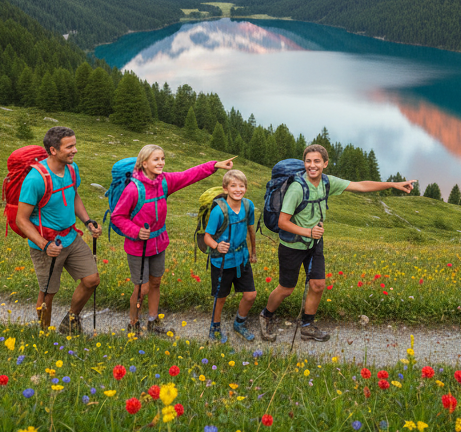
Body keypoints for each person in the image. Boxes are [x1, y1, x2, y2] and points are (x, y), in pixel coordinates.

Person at [259, 144, 414, 342]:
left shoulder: (327, 182)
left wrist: (392, 184)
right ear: (304, 163)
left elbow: (360, 185)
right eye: (308, 161)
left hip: (314, 244)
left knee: (318, 285)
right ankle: (266, 315)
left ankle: (307, 325)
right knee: (286, 289)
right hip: (292, 246)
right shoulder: (297, 188)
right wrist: (309, 231)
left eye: (316, 161)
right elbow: (283, 222)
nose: (312, 166)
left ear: (325, 163)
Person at [111, 144, 235, 336]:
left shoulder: (164, 181)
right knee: (142, 288)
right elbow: (117, 217)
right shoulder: (133, 189)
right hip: (138, 246)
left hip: (159, 242)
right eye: (156, 159)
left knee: (156, 283)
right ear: (144, 163)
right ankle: (133, 323)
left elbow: (189, 175)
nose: (161, 163)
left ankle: (152, 321)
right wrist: (135, 231)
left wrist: (215, 165)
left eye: (162, 159)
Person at [14, 126, 102, 336]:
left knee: (91, 280)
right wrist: (45, 245)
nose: (75, 150)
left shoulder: (72, 169)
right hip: (46, 244)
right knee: (48, 293)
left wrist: (88, 221)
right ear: (53, 150)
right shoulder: (36, 179)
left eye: (75, 145)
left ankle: (70, 321)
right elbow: (21, 220)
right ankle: (44, 334)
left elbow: (74, 196)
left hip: (70, 237)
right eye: (69, 146)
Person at [202, 169, 257, 343]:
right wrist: (217, 245)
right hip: (222, 261)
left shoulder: (248, 206)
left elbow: (250, 230)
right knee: (221, 297)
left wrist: (253, 251)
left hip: (241, 259)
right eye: (233, 186)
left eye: (241, 186)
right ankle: (215, 326)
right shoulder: (218, 211)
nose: (238, 189)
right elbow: (207, 237)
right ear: (225, 189)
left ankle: (239, 323)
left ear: (246, 189)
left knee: (251, 295)